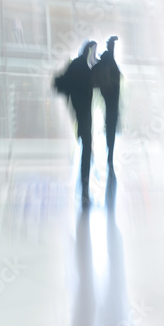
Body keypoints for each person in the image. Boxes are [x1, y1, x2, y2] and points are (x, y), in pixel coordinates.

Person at [55, 41, 97, 206]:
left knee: (86, 147)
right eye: (93, 50)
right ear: (89, 50)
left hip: (81, 113)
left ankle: (85, 185)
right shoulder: (81, 67)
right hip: (83, 113)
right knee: (86, 149)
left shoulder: (78, 65)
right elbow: (86, 88)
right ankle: (85, 187)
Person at [93, 36, 122, 169]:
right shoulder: (108, 62)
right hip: (112, 100)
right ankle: (109, 154)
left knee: (110, 125)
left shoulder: (106, 63)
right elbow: (110, 55)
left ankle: (109, 152)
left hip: (111, 99)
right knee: (111, 125)